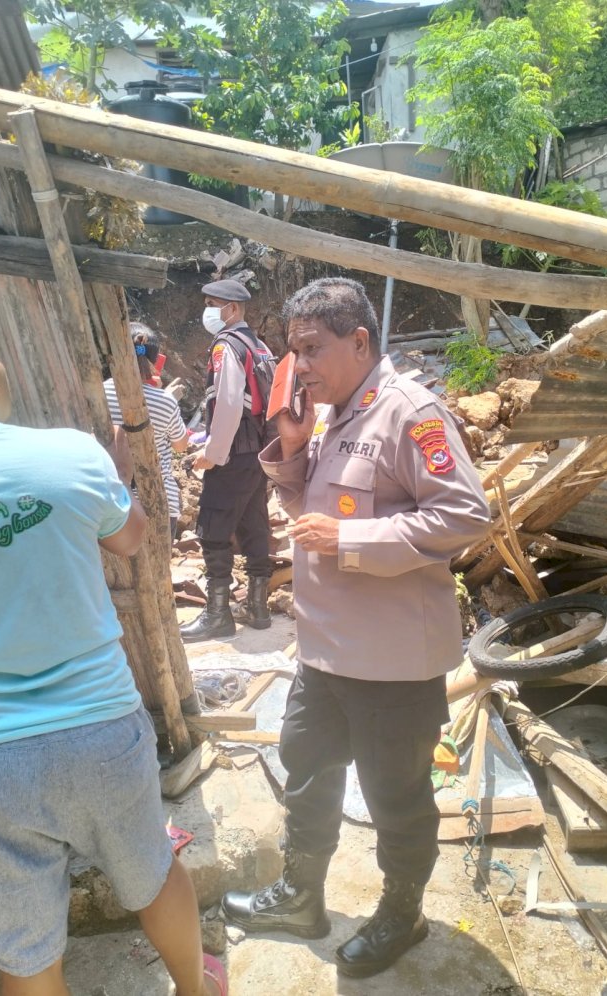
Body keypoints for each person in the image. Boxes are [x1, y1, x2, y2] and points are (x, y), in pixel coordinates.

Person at [0, 309, 226, 996]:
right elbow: (130, 539)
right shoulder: (70, 455)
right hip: (100, 733)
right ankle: (197, 989)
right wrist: (110, 485)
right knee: (152, 874)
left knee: (26, 951)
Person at [221, 278, 490, 979]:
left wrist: (352, 540)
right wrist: (291, 448)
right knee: (309, 774)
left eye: (312, 349)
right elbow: (305, 507)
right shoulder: (335, 414)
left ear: (360, 341)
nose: (300, 365)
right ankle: (301, 897)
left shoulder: (410, 413)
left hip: (393, 664)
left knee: (395, 796)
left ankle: (403, 914)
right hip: (324, 652)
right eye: (294, 351)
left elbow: (465, 515)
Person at [180, 279, 274, 643]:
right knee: (254, 525)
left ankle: (218, 615)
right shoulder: (260, 346)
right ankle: (258, 608)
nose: (207, 311)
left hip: (234, 452)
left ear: (232, 310)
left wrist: (213, 453)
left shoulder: (226, 346)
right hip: (258, 453)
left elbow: (229, 401)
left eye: (213, 303)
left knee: (213, 528)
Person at [104, 321, 188, 548]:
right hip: (159, 501)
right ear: (153, 359)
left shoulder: (100, 393)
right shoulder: (165, 401)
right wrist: (162, 395)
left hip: (112, 501)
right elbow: (181, 445)